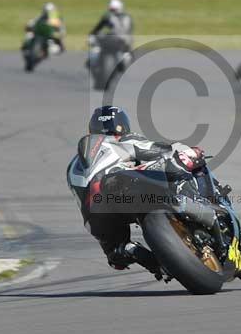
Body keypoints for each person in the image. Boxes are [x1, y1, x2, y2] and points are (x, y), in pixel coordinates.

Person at [71, 106, 216, 276]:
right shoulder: (122, 140)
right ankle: (205, 203)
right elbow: (162, 150)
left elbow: (83, 201)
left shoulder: (74, 166)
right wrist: (187, 152)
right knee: (186, 158)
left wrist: (107, 244)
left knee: (118, 253)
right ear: (122, 125)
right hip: (125, 187)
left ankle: (136, 252)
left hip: (96, 212)